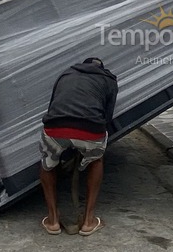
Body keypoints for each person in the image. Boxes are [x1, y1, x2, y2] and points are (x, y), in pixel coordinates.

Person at [38, 57, 118, 236]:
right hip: (90, 130)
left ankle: (52, 221)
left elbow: (53, 106)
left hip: (56, 127)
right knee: (96, 160)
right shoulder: (109, 80)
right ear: (101, 68)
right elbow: (107, 116)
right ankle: (89, 221)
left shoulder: (65, 74)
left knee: (46, 164)